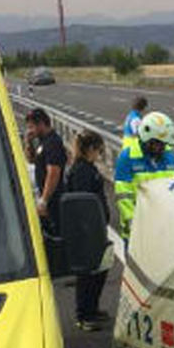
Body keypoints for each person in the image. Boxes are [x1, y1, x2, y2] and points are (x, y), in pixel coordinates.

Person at [66, 130, 113, 331]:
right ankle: (84, 315)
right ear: (91, 149)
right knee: (88, 275)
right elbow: (83, 203)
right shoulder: (81, 171)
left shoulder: (87, 167)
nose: (99, 154)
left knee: (99, 271)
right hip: (87, 231)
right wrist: (88, 230)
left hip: (95, 228)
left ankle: (92, 308)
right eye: (98, 150)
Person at [113, 111, 174, 242]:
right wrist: (135, 224)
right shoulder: (128, 157)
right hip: (136, 228)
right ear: (145, 139)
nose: (160, 148)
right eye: (156, 143)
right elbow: (123, 195)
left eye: (163, 144)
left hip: (162, 227)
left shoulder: (170, 157)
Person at [24, 107, 67, 235]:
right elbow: (31, 160)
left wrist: (44, 200)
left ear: (41, 124)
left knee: (54, 232)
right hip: (45, 196)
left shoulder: (53, 142)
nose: (30, 131)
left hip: (53, 200)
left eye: (32, 127)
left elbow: (53, 173)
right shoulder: (42, 142)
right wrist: (28, 142)